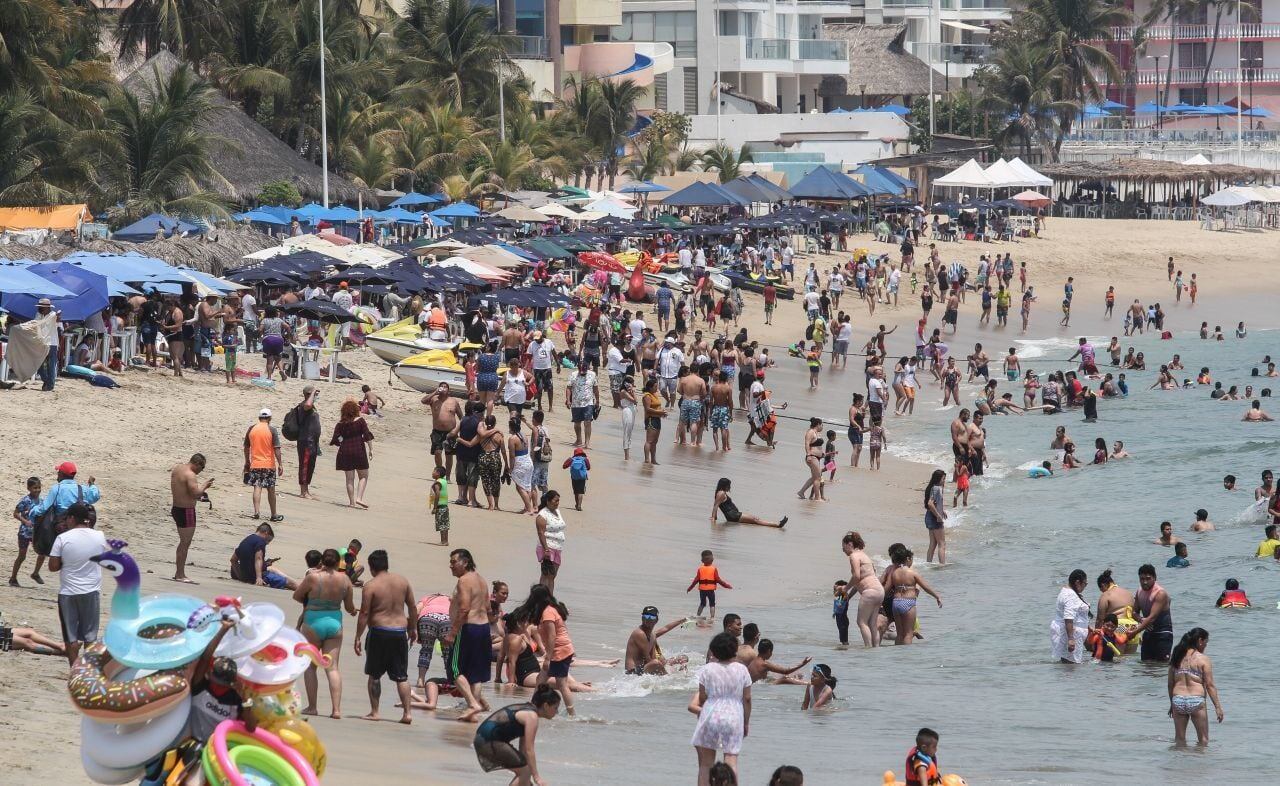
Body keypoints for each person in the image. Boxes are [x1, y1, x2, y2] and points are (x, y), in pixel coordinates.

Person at [354, 549, 416, 724]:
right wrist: (413, 629)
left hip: (379, 632)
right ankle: (407, 713)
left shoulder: (371, 585)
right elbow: (412, 607)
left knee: (374, 674)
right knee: (401, 676)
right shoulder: (403, 582)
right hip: (399, 632)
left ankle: (375, 712)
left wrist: (358, 636)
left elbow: (365, 613)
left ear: (372, 568)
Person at [293, 548, 356, 718]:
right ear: (337, 563)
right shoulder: (345, 579)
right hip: (334, 623)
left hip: (313, 621)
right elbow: (350, 606)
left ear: (322, 561)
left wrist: (311, 600)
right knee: (333, 667)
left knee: (311, 666)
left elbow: (297, 596)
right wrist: (352, 611)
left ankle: (312, 707)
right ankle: (336, 710)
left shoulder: (313, 577)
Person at [689, 631, 752, 786]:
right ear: (735, 650)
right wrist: (746, 722)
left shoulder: (707, 669)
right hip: (734, 716)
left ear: (714, 650)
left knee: (706, 764)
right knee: (731, 760)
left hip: (711, 714)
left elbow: (702, 697)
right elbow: (747, 699)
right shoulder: (742, 669)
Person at [50, 503, 107, 664]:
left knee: (71, 637)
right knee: (90, 636)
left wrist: (64, 561)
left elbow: (53, 567)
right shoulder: (99, 536)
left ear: (72, 518)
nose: (66, 521)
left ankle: (74, 671)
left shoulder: (62, 538)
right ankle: (88, 672)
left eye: (67, 518)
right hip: (91, 591)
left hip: (68, 593)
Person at [473, 683, 561, 785]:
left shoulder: (528, 710)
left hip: (482, 738)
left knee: (525, 774)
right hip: (489, 740)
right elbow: (529, 750)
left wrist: (527, 782)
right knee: (525, 772)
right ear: (546, 705)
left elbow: (523, 749)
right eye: (555, 708)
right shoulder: (532, 717)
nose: (557, 712)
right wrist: (536, 777)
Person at [447, 548, 492, 722]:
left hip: (469, 629)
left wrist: (452, 633)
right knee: (475, 674)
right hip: (483, 628)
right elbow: (488, 607)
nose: (450, 566)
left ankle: (472, 704)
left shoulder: (464, 581)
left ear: (465, 562)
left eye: (453, 562)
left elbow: (465, 609)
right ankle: (472, 713)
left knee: (454, 668)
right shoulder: (481, 580)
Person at [1168, 628, 1223, 746]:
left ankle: (1179, 762)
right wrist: (1217, 707)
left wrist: (1171, 704)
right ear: (1200, 641)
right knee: (1203, 740)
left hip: (1178, 700)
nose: (1205, 646)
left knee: (1179, 740)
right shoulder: (1203, 659)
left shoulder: (1177, 656)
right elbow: (1210, 685)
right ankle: (1200, 763)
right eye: (1206, 643)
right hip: (1196, 700)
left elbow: (1170, 684)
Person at [883, 547, 941, 646]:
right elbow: (925, 586)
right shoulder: (912, 572)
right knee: (908, 634)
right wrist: (937, 596)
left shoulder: (894, 573)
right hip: (908, 602)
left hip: (896, 602)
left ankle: (896, 655)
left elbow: (886, 589)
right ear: (907, 559)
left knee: (900, 634)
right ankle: (906, 658)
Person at [169, 454, 212, 584]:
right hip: (186, 511)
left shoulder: (177, 469)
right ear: (197, 464)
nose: (201, 470)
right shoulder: (190, 475)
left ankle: (179, 573)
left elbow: (185, 491)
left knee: (183, 542)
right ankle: (180, 574)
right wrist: (205, 486)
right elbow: (195, 493)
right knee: (185, 543)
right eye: (202, 467)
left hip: (176, 508)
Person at [842, 531, 883, 648]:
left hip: (869, 592)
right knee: (872, 624)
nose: (843, 550)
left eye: (843, 547)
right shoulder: (864, 555)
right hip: (879, 591)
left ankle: (868, 649)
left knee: (861, 622)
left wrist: (845, 588)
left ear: (849, 544)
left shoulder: (853, 556)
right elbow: (861, 580)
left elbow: (856, 577)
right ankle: (876, 649)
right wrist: (849, 595)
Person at [331, 399, 374, 509]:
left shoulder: (340, 424)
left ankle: (351, 502)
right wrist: (371, 449)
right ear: (355, 410)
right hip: (358, 450)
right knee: (363, 476)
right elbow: (367, 435)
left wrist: (342, 442)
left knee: (349, 478)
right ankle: (359, 498)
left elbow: (336, 439)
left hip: (345, 451)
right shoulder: (360, 421)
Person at [243, 409, 284, 521]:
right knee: (271, 489)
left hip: (255, 463)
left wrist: (247, 461)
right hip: (269, 464)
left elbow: (246, 447)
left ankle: (256, 512)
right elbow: (277, 449)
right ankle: (274, 514)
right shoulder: (272, 430)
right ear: (269, 418)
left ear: (259, 418)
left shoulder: (251, 429)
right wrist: (280, 464)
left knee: (257, 487)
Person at [625, 606, 689, 675]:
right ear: (642, 617)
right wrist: (666, 668)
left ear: (656, 620)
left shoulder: (652, 634)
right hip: (634, 672)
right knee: (656, 663)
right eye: (646, 616)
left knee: (683, 658)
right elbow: (648, 660)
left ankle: (677, 674)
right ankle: (669, 677)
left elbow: (666, 628)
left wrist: (683, 620)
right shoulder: (639, 633)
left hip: (646, 667)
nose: (648, 619)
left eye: (652, 617)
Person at [231, 523, 295, 589]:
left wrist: (240, 577)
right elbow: (258, 558)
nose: (267, 543)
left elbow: (233, 560)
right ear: (266, 533)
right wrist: (259, 578)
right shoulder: (260, 542)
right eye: (268, 540)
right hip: (254, 577)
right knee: (289, 583)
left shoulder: (246, 540)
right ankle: (300, 587)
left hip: (244, 574)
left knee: (272, 569)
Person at [1131, 564, 1174, 662]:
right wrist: (1141, 619)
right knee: (1146, 665)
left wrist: (1134, 632)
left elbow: (1152, 618)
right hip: (1148, 633)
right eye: (1142, 579)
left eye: (1148, 578)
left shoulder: (1160, 593)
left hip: (1163, 634)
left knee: (1161, 666)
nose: (1145, 582)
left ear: (1154, 578)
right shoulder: (1139, 591)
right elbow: (1134, 612)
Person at [9, 476, 44, 587]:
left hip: (37, 533)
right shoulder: (25, 500)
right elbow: (15, 514)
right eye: (35, 488)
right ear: (29, 488)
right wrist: (25, 521)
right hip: (24, 532)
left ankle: (35, 573)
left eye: (39, 487)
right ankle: (13, 578)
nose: (37, 490)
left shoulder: (42, 501)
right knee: (22, 556)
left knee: (42, 553)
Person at [710, 478, 786, 528]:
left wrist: (715, 517)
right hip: (733, 515)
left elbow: (716, 505)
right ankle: (777, 524)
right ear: (725, 485)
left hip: (734, 514)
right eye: (729, 485)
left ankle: (777, 524)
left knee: (755, 521)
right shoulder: (721, 493)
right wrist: (713, 518)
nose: (730, 487)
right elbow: (716, 506)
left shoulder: (720, 493)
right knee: (756, 520)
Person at [289, 386, 323, 499]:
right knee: (305, 465)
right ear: (308, 394)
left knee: (310, 466)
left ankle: (307, 490)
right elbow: (308, 405)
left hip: (312, 441)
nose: (316, 396)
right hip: (306, 441)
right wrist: (312, 392)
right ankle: (303, 492)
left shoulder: (310, 406)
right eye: (314, 394)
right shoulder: (304, 405)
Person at [1050, 569, 1090, 664]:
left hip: (1069, 631)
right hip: (1070, 633)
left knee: (1068, 666)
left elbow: (1077, 615)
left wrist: (1088, 627)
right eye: (1085, 583)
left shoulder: (1067, 591)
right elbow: (1068, 618)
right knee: (1071, 666)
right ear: (1077, 582)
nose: (1085, 586)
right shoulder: (1070, 595)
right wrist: (1071, 639)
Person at [534, 490, 567, 593]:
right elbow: (540, 533)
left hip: (558, 547)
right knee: (546, 575)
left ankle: (550, 599)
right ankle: (540, 599)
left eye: (558, 501)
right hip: (547, 547)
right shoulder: (542, 515)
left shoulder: (557, 511)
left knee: (552, 576)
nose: (557, 503)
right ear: (548, 501)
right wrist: (546, 550)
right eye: (555, 501)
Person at [688, 549, 733, 620]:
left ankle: (697, 615)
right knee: (712, 604)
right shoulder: (714, 569)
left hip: (702, 590)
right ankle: (712, 617)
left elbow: (695, 581)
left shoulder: (700, 569)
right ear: (712, 559)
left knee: (702, 603)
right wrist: (727, 586)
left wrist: (690, 588)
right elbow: (718, 580)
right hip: (710, 590)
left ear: (702, 560)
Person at [565, 359, 599, 449]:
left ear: (587, 369)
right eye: (581, 371)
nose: (582, 372)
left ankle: (587, 442)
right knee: (577, 423)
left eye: (584, 371)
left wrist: (597, 401)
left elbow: (596, 388)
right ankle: (578, 439)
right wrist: (568, 400)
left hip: (588, 402)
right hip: (576, 402)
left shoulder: (592, 375)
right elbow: (568, 388)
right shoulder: (573, 375)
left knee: (588, 421)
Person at [923, 469, 948, 564]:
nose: (944, 481)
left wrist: (942, 511)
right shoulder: (937, 488)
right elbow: (930, 503)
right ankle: (942, 565)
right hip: (934, 518)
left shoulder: (931, 487)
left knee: (933, 543)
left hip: (929, 516)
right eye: (943, 479)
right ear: (938, 479)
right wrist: (938, 515)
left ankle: (928, 563)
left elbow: (934, 503)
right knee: (942, 544)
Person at [642, 378, 667, 465]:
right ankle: (646, 459)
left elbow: (657, 407)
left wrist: (662, 413)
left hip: (657, 419)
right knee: (649, 440)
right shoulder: (647, 396)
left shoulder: (654, 395)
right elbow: (648, 409)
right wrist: (660, 412)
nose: (657, 388)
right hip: (650, 419)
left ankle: (653, 459)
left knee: (655, 441)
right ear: (650, 387)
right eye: (655, 386)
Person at [430, 466, 450, 546]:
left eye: (434, 471)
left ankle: (443, 541)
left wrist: (434, 508)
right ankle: (446, 541)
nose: (432, 473)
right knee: (445, 525)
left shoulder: (437, 483)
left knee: (441, 524)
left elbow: (437, 494)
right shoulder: (444, 481)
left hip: (440, 506)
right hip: (445, 506)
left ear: (438, 473)